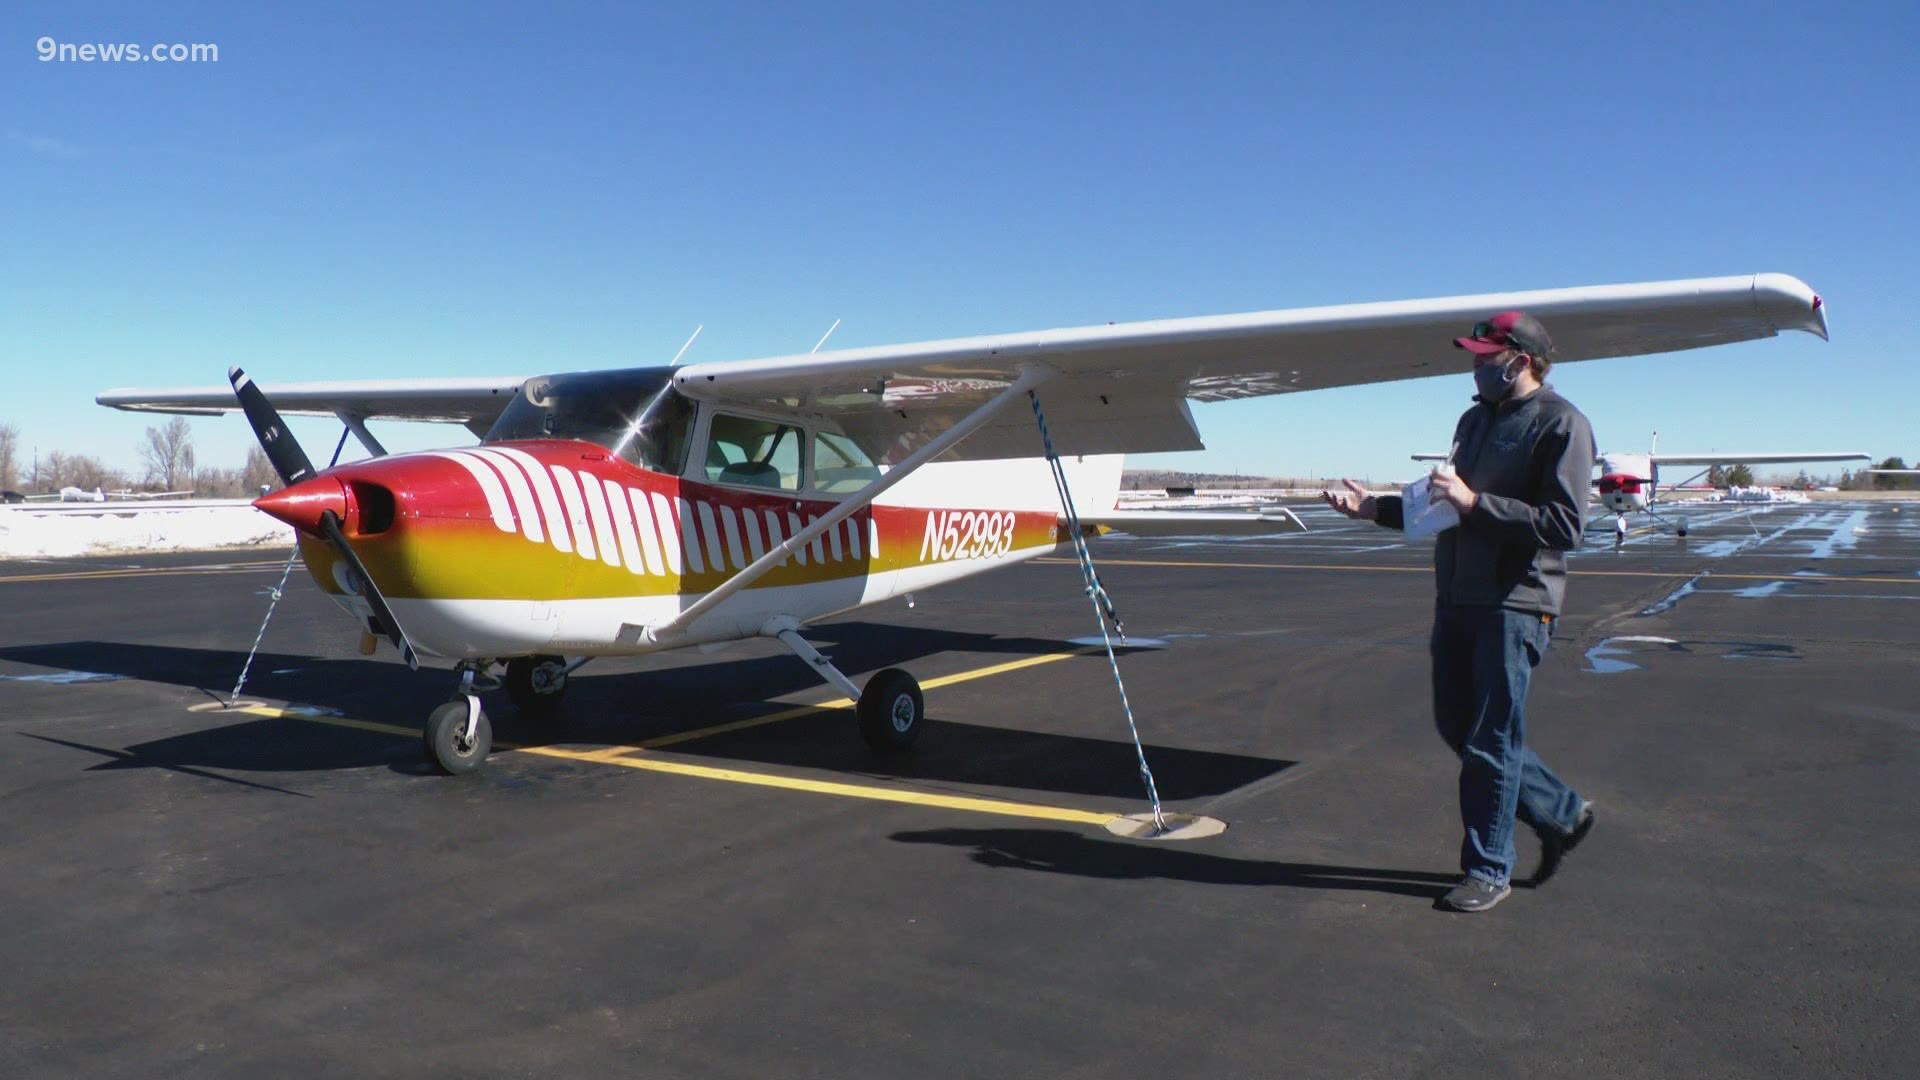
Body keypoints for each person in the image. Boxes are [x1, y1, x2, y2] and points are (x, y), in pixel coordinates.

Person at [1322, 311, 1597, 913]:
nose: (1474, 365)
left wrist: (1477, 503)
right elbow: (1445, 508)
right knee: (1459, 727)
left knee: (1490, 740)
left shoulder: (1562, 424)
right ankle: (1562, 812)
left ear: (1521, 361)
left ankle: (1488, 869)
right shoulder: (1473, 420)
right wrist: (1375, 510)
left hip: (1515, 603)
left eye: (1485, 355)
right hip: (1458, 596)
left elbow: (1564, 525)